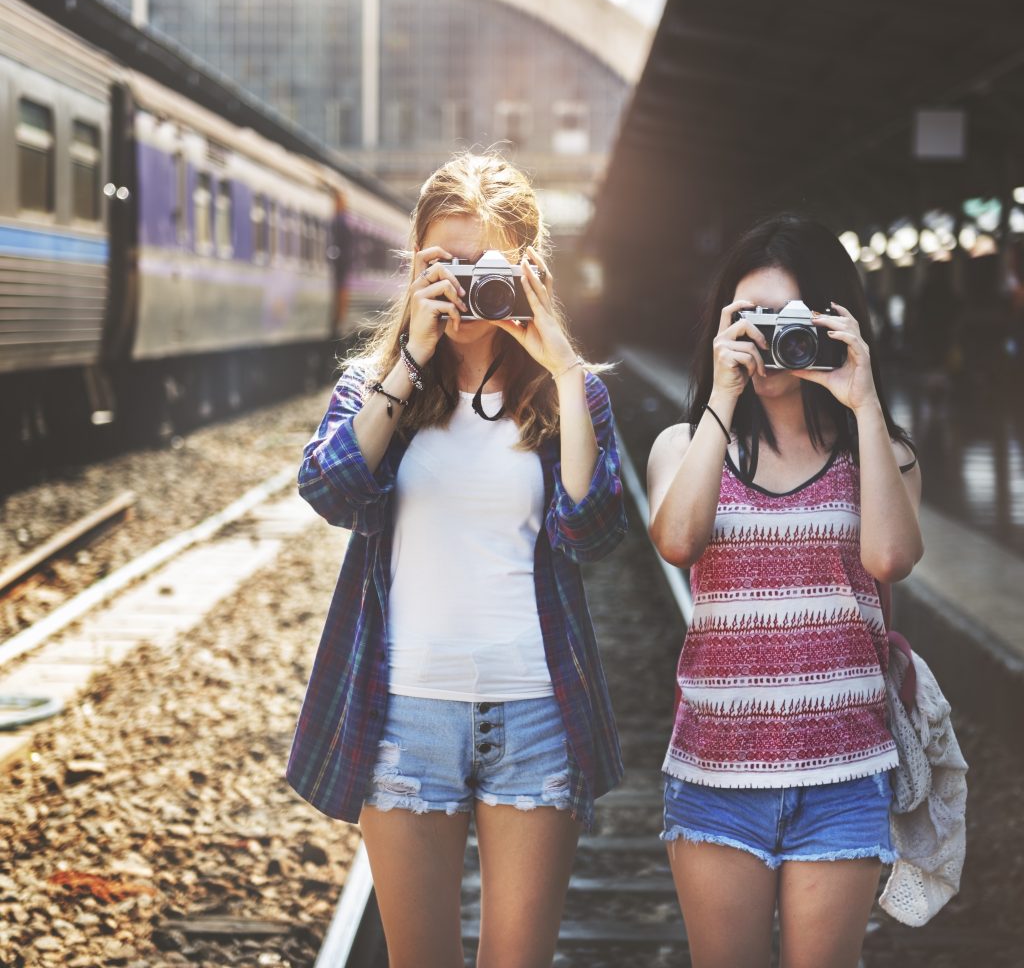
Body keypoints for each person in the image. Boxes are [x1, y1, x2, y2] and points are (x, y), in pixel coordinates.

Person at [287, 153, 627, 967]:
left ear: (530, 267)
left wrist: (563, 363)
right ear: (414, 265)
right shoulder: (376, 387)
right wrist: (410, 354)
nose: (465, 287)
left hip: (535, 716)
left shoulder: (568, 396)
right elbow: (330, 492)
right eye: (444, 263)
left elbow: (594, 532)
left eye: (487, 266)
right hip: (405, 715)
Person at [646, 213, 923, 968]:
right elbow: (677, 541)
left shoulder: (881, 452)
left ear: (836, 324)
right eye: (751, 319)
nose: (769, 341)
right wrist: (722, 398)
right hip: (715, 772)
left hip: (842, 771)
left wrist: (863, 403)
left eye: (788, 320)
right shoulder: (685, 445)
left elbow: (892, 557)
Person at [327, 187, 355, 335]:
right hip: (341, 274)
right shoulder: (344, 221)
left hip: (341, 274)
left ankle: (338, 320)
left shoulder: (341, 221)